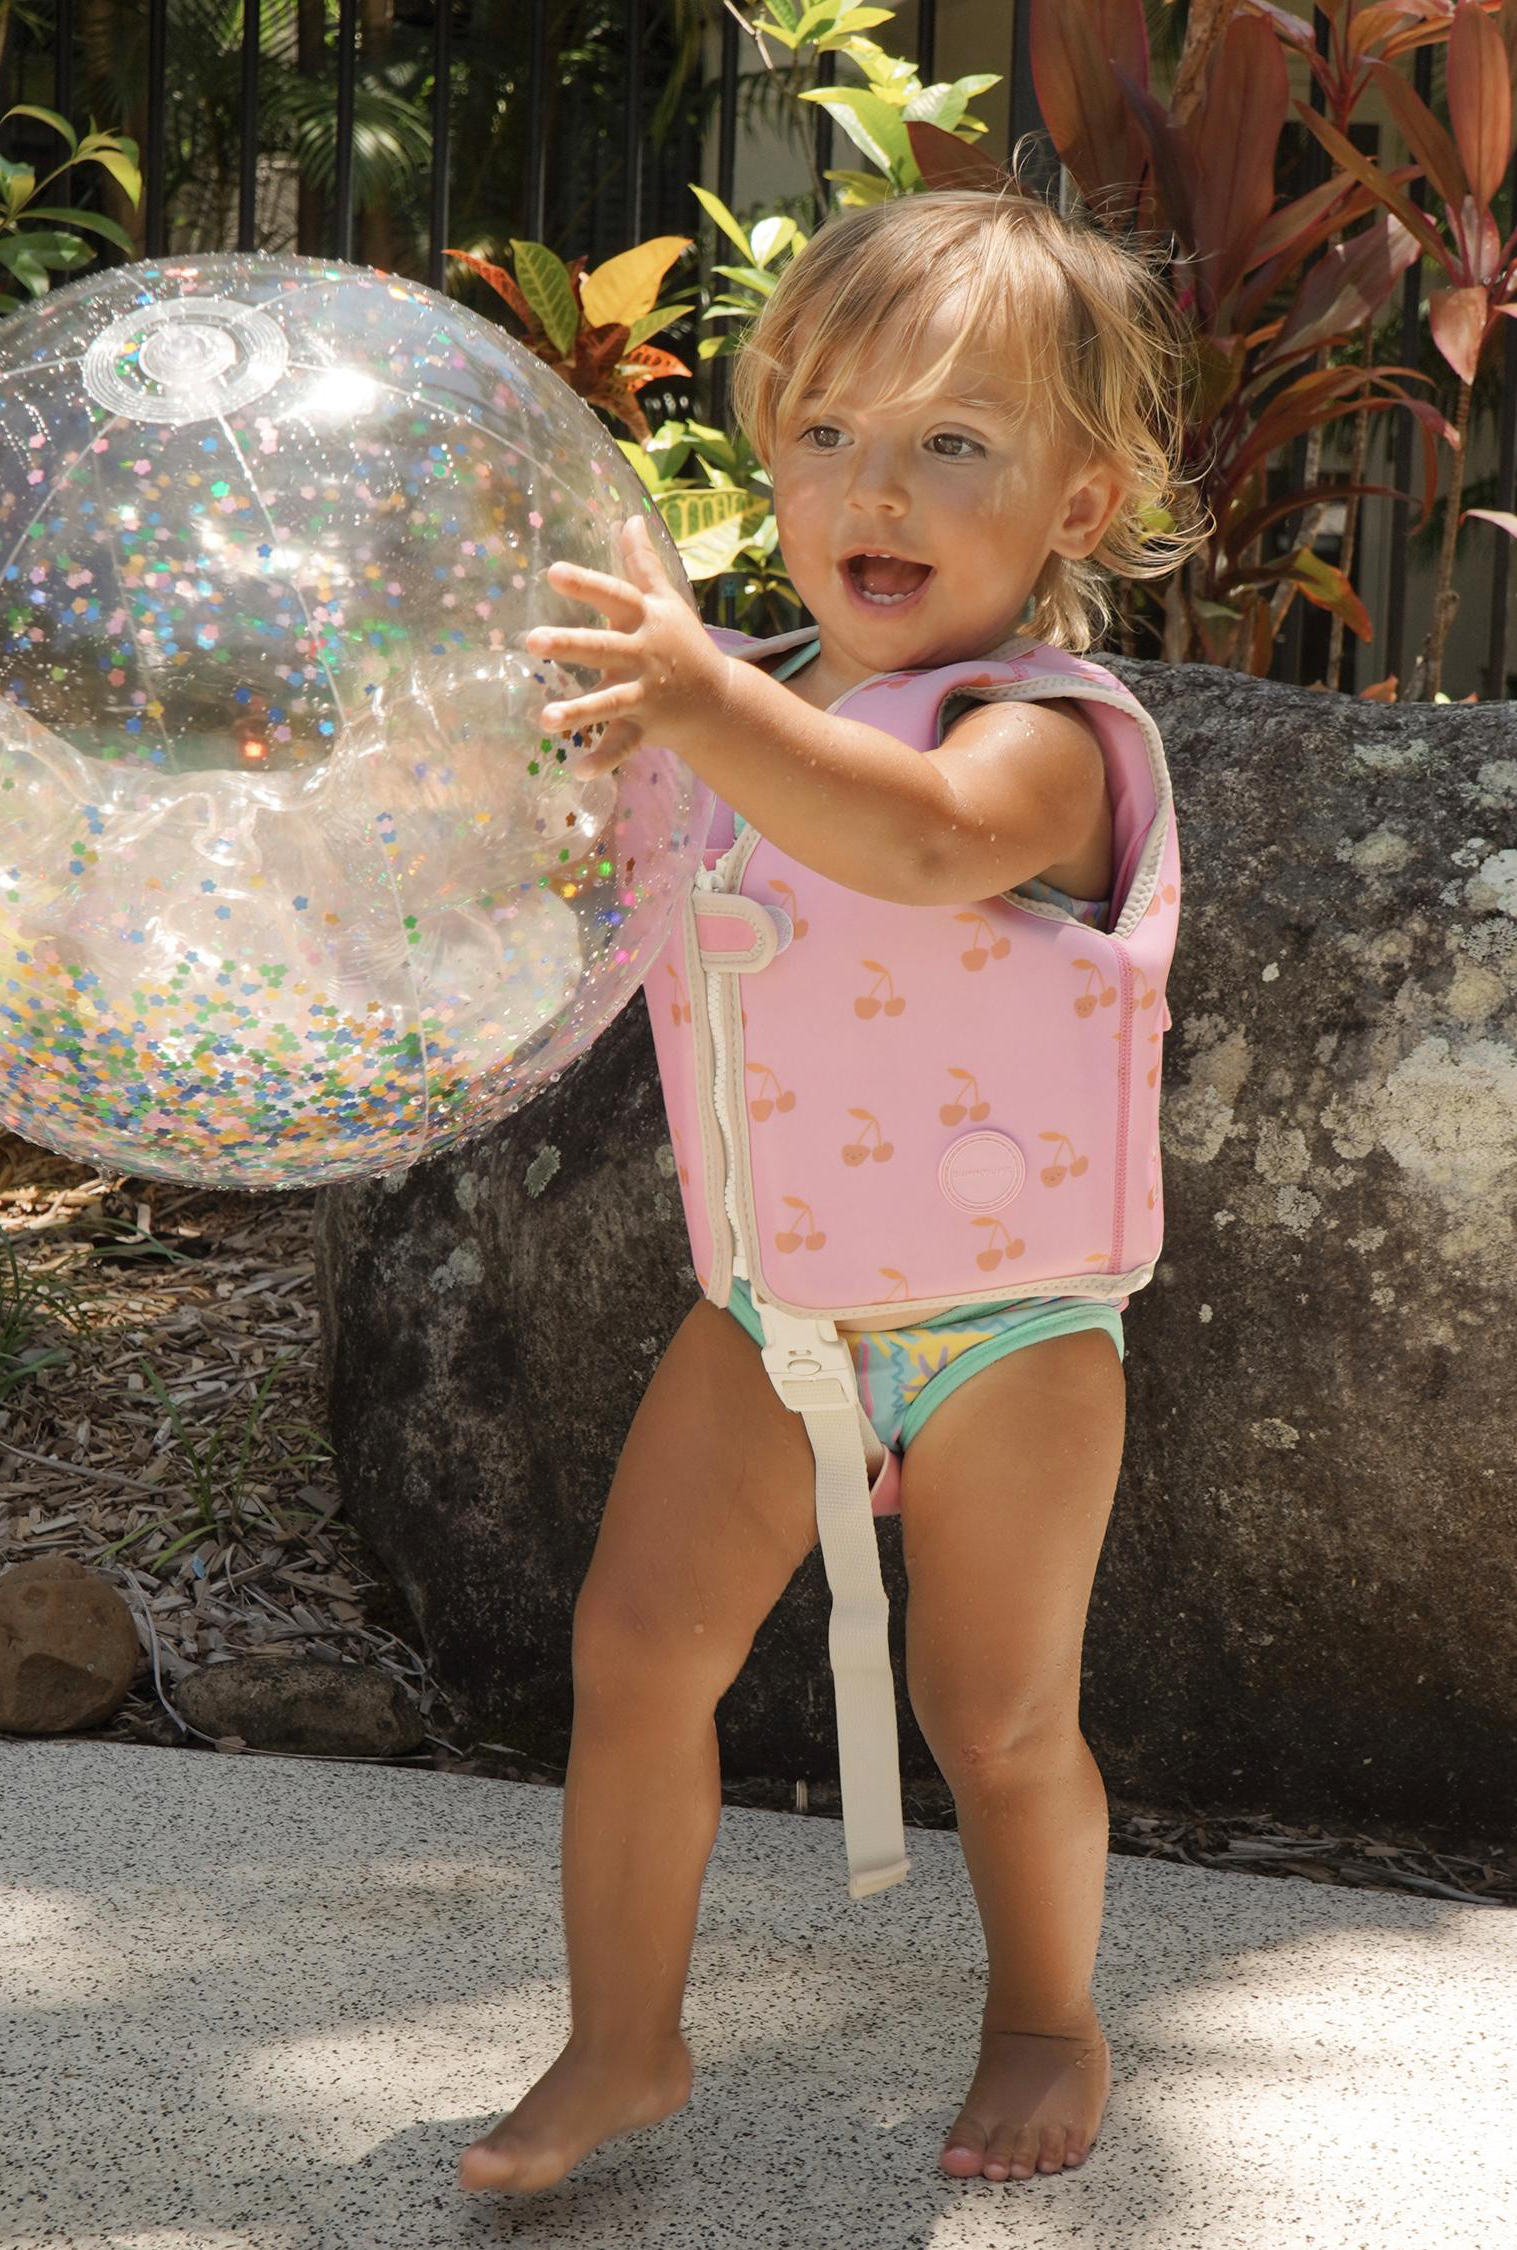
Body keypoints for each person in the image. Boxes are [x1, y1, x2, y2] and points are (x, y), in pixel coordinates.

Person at [459, 176, 1206, 2197]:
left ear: (1076, 502)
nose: (875, 484)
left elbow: (924, 842)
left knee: (996, 1713)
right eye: (826, 430)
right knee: (635, 1651)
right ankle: (622, 2041)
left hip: (1006, 1329)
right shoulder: (744, 693)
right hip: (770, 1313)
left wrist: (703, 703)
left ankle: (1046, 2014)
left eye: (953, 442)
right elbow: (586, 835)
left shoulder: (1047, 738)